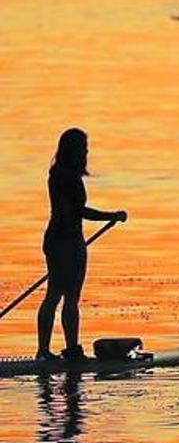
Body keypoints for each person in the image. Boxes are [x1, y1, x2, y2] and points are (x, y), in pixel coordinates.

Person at [37, 129, 126, 362]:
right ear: (72, 150)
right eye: (83, 148)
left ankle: (46, 351)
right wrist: (111, 216)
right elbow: (78, 211)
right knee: (66, 298)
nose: (86, 152)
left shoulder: (57, 174)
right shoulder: (67, 177)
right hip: (67, 242)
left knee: (55, 296)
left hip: (58, 240)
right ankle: (69, 351)